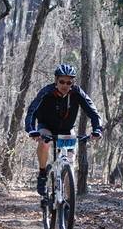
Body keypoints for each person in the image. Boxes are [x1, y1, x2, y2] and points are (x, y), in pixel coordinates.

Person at [24, 64, 103, 196]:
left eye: (69, 82)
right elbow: (31, 111)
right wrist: (31, 130)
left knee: (69, 164)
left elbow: (93, 112)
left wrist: (97, 130)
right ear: (56, 80)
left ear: (72, 83)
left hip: (67, 130)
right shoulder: (46, 92)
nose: (65, 85)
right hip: (46, 127)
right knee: (44, 143)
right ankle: (43, 174)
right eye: (62, 81)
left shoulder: (77, 93)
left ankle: (67, 203)